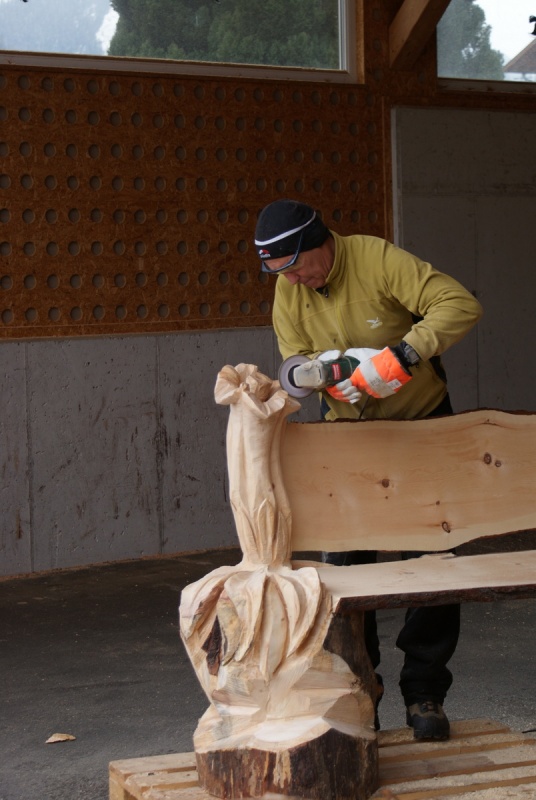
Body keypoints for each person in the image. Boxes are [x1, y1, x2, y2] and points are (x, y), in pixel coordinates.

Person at [254, 198, 483, 741]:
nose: (294, 281)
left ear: (320, 242)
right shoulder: (290, 288)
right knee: (344, 575)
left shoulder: (377, 259)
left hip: (421, 425)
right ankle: (359, 691)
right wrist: (318, 376)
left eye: (297, 267)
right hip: (348, 436)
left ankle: (425, 691)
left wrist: (402, 355)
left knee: (433, 563)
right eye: (282, 274)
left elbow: (460, 304)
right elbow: (293, 362)